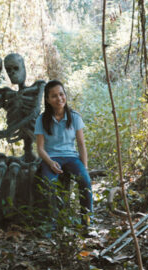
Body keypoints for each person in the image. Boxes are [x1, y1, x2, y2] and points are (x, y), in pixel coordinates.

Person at [34, 80, 93, 229]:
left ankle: (86, 224)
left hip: (71, 157)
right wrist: (50, 162)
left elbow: (81, 144)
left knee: (85, 182)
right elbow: (40, 148)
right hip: (51, 158)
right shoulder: (41, 119)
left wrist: (84, 167)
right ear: (47, 100)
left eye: (61, 94)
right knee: (49, 184)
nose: (59, 98)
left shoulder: (74, 117)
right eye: (54, 96)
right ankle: (52, 224)